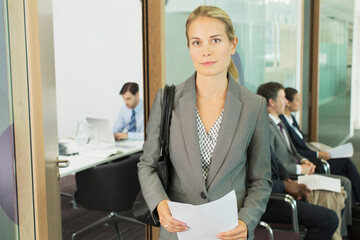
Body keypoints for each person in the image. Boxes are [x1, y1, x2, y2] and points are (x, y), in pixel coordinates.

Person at [138, 5, 272, 240]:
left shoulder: (254, 106)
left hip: (230, 232)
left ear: (233, 44)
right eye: (197, 42)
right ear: (189, 47)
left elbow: (260, 178)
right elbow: (147, 165)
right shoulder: (167, 100)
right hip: (179, 231)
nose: (206, 51)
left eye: (216, 40)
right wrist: (159, 203)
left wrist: (247, 219)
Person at [257, 82, 353, 236]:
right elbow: (265, 170)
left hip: (286, 179)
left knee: (339, 190)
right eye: (283, 98)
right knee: (330, 211)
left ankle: (341, 234)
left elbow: (289, 153)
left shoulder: (279, 121)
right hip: (274, 194)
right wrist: (290, 179)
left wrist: (301, 162)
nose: (286, 102)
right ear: (272, 102)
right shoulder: (264, 126)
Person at [280, 87, 360, 204]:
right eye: (297, 100)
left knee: (344, 173)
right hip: (308, 160)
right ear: (287, 102)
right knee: (345, 164)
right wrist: (317, 154)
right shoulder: (282, 122)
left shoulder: (291, 119)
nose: (301, 103)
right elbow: (295, 150)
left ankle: (351, 203)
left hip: (307, 157)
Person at [261, 148, 339, 240]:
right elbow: (251, 184)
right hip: (263, 201)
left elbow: (276, 161)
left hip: (278, 191)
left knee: (327, 196)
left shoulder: (261, 135)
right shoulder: (245, 140)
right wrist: (284, 185)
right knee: (329, 219)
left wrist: (286, 179)